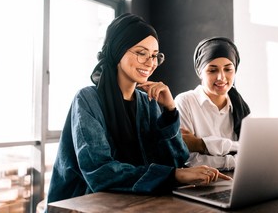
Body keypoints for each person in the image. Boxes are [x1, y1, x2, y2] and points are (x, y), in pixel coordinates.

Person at [46, 14, 231, 206]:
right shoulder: (87, 99)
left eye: (154, 55)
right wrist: (175, 175)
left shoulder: (147, 101)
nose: (150, 62)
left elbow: (175, 162)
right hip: (83, 203)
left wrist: (169, 111)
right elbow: (100, 173)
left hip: (133, 201)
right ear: (119, 51)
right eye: (141, 53)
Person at [174, 36, 251, 171]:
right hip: (199, 184)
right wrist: (234, 157)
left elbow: (252, 153)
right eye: (212, 70)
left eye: (228, 69)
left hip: (237, 180)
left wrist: (201, 144)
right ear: (200, 72)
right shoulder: (185, 101)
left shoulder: (240, 107)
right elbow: (190, 160)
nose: (221, 77)